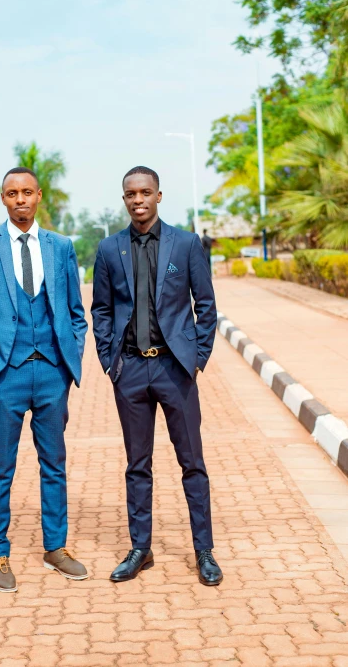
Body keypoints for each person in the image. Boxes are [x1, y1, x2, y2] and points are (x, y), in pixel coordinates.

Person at [91, 166, 223, 586]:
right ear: (124, 199)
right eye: (130, 194)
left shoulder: (185, 245)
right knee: (137, 465)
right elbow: (102, 310)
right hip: (130, 370)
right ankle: (140, 548)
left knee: (192, 463)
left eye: (145, 192)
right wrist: (110, 361)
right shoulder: (110, 250)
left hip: (174, 369)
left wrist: (196, 358)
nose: (138, 200)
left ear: (159, 196)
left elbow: (206, 306)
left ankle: (204, 551)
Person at [0, 167, 89, 592]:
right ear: (3, 199)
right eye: (12, 193)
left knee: (55, 464)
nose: (20, 200)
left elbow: (75, 313)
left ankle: (56, 548)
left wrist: (70, 360)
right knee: (1, 467)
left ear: (38, 196)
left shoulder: (61, 246)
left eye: (27, 192)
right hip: (5, 375)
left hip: (52, 372)